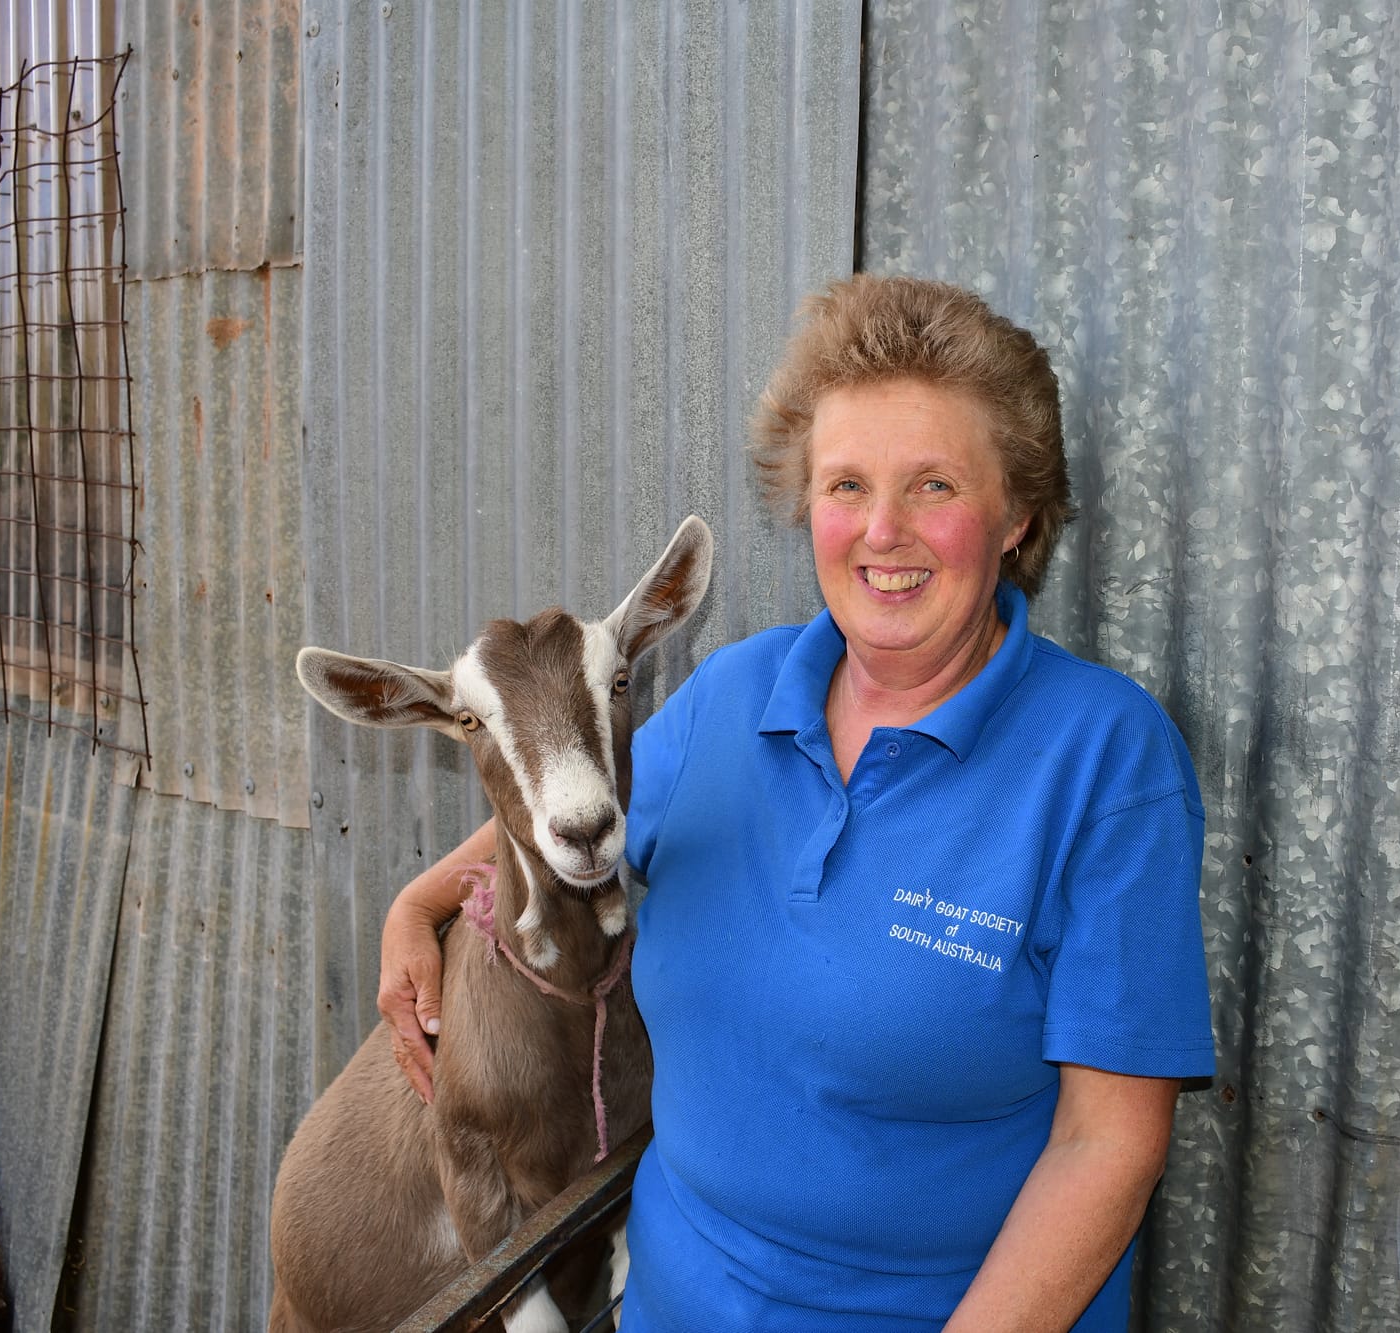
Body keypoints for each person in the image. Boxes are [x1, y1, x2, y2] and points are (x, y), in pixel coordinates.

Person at [378, 274, 1215, 1331]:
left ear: (1016, 515)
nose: (882, 531)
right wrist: (416, 906)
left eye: (935, 486)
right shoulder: (733, 693)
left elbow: (1109, 1144)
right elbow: (570, 816)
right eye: (846, 485)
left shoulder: (1105, 761)